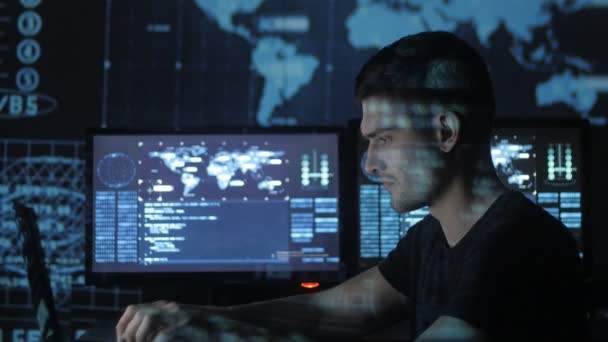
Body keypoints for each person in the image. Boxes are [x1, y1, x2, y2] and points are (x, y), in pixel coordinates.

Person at [116, 31, 586, 341]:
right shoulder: (435, 236)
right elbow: (334, 311)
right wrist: (204, 318)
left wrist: (218, 336)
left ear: (445, 132)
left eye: (384, 138)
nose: (369, 163)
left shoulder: (517, 244)